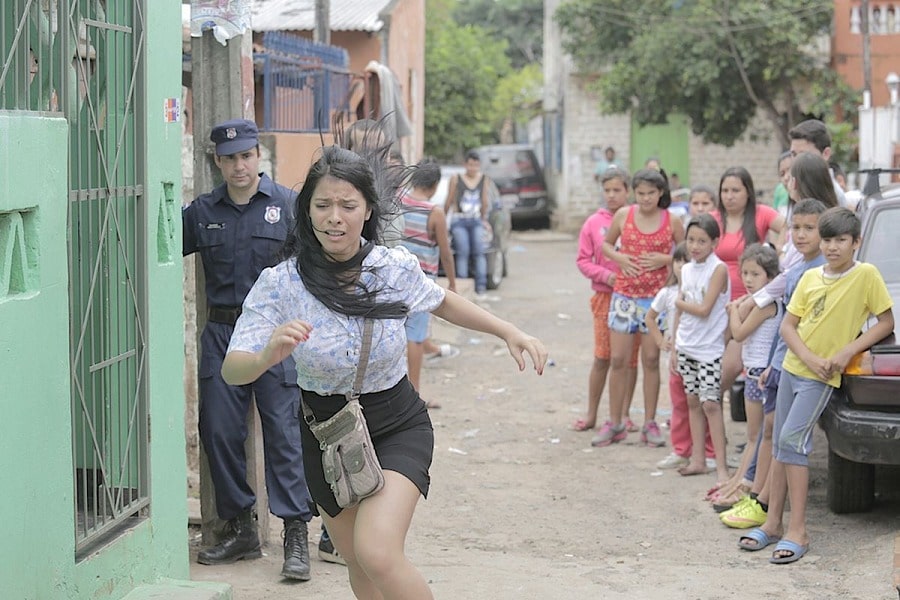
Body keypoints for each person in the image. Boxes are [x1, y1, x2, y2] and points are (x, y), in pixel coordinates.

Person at [221, 145, 548, 598]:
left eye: (347, 205)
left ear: (368, 210)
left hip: (396, 423)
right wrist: (264, 358)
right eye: (323, 205)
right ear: (307, 211)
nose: (335, 217)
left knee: (377, 552)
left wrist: (507, 330)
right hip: (327, 435)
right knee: (356, 560)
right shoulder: (281, 284)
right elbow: (232, 370)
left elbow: (443, 301)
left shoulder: (390, 267)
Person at [183, 119, 315, 580]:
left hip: (275, 337)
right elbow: (158, 252)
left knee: (285, 433)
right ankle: (240, 528)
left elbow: (314, 269)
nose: (239, 166)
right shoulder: (201, 212)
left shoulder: (290, 207)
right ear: (217, 162)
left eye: (246, 155)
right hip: (222, 335)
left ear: (258, 156)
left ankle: (296, 534)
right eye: (230, 158)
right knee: (218, 431)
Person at [748, 208, 893, 564]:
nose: (832, 247)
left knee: (791, 442)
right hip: (795, 367)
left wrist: (848, 349)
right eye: (827, 240)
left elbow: (885, 322)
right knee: (782, 444)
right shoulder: (811, 277)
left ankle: (799, 530)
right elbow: (787, 327)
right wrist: (808, 358)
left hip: (822, 376)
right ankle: (772, 524)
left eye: (841, 240)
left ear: (856, 242)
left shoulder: (866, 276)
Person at [722, 199, 828, 531]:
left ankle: (771, 509)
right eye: (795, 227)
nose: (799, 234)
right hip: (783, 364)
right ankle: (765, 507)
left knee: (784, 438)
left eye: (809, 228)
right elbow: (785, 323)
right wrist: (774, 362)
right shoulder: (796, 271)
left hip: (809, 367)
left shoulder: (827, 271)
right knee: (773, 434)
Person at [599, 169, 685, 446]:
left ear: (661, 193)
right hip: (624, 297)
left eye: (651, 193)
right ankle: (615, 422)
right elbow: (606, 246)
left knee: (650, 360)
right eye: (641, 193)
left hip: (656, 301)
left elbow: (687, 256)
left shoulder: (672, 220)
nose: (646, 198)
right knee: (618, 359)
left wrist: (665, 259)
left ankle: (650, 423)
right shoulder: (623, 215)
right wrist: (620, 259)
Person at [712, 167, 784, 424]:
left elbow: (788, 226)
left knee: (731, 369)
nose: (729, 196)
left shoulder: (761, 214)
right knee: (711, 371)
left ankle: (749, 435)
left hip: (753, 307)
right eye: (725, 191)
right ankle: (710, 430)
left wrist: (780, 255)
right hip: (719, 305)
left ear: (748, 192)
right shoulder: (713, 219)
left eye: (735, 190)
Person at [573, 167, 640, 436]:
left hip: (636, 297)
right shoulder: (593, 223)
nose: (612, 195)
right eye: (607, 190)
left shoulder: (637, 219)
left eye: (617, 190)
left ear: (627, 191)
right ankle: (592, 413)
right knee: (603, 357)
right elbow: (583, 260)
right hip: (605, 296)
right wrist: (607, 276)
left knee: (630, 360)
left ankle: (623, 414)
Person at [718, 244, 780, 503]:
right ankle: (737, 482)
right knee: (753, 436)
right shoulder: (757, 300)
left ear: (770, 276)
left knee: (759, 437)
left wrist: (734, 312)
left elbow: (738, 333)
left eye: (755, 274)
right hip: (752, 372)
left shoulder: (766, 304)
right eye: (745, 273)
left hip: (760, 375)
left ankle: (746, 487)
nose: (748, 279)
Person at [672, 214, 731, 483]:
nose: (695, 246)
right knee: (693, 401)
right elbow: (681, 314)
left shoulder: (718, 269)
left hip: (709, 348)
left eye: (702, 241)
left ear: (715, 242)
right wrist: (674, 345)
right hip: (686, 345)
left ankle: (720, 468)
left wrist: (680, 303)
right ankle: (698, 460)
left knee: (711, 404)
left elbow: (705, 309)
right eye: (691, 240)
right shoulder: (686, 269)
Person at [646, 242, 715, 469]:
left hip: (701, 355)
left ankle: (708, 451)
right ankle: (681, 449)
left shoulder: (701, 292)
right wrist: (660, 340)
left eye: (686, 261)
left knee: (706, 404)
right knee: (680, 404)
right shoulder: (667, 293)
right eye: (677, 260)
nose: (681, 265)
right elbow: (650, 318)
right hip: (676, 359)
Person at [400, 160, 457, 409]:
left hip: (397, 275)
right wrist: (452, 283)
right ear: (434, 186)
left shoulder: (398, 201)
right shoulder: (435, 212)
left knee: (403, 332)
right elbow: (445, 252)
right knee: (416, 336)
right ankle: (413, 396)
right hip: (421, 281)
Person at [444, 150, 492, 296]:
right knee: (462, 252)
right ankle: (462, 286)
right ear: (465, 165)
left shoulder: (483, 179)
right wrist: (443, 218)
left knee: (479, 252)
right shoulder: (456, 179)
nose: (473, 168)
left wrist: (484, 219)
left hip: (476, 220)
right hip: (459, 219)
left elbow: (484, 201)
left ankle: (481, 287)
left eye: (476, 165)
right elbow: (449, 199)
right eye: (470, 165)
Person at [787, 119, 848, 208]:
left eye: (804, 155)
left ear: (826, 154)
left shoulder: (832, 195)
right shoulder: (793, 189)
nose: (797, 161)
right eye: (794, 154)